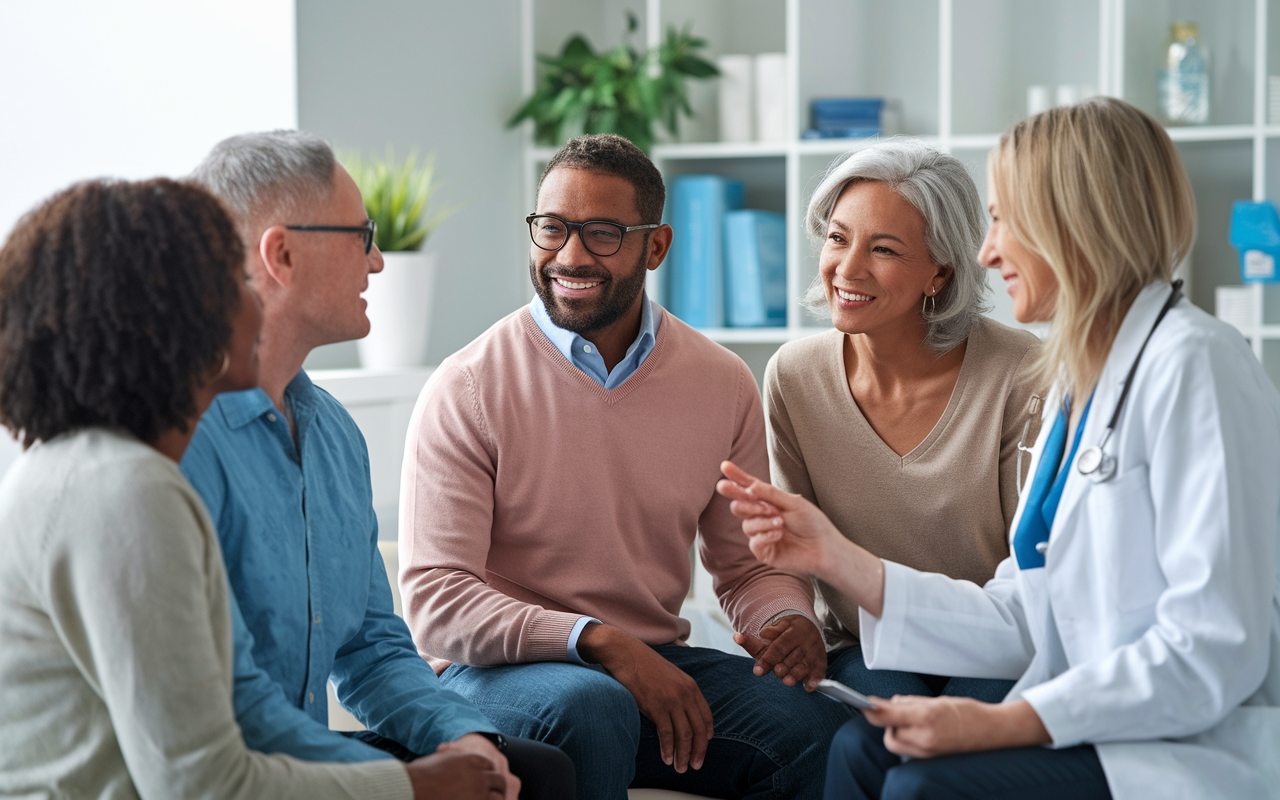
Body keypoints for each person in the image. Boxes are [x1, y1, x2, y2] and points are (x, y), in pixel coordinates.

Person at [718, 96, 1280, 799]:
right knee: (864, 749)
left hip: (1175, 744)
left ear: (1075, 224)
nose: (987, 252)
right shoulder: (1087, 382)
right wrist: (833, 558)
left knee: (919, 786)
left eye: (1003, 220)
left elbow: (1211, 655)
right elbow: (1025, 611)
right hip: (1092, 714)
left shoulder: (1196, 366)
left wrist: (1004, 723)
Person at [0, 178, 506, 798]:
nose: (254, 300)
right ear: (171, 319)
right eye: (233, 282)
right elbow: (206, 781)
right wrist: (412, 787)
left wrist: (442, 754)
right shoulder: (126, 492)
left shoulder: (116, 471)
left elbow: (335, 665)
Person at [399, 133, 852, 800]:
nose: (570, 256)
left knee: (820, 728)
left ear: (656, 246)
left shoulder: (721, 381)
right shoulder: (467, 385)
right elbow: (437, 601)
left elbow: (747, 565)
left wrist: (787, 621)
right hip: (494, 673)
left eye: (603, 233)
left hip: (650, 663)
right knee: (591, 706)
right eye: (552, 229)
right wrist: (600, 641)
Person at [180, 131, 572, 799]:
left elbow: (373, 648)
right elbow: (221, 710)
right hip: (231, 767)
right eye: (362, 236)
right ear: (282, 254)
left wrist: (464, 738)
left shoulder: (333, 433)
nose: (380, 261)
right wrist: (404, 781)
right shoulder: (179, 440)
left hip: (302, 753)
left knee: (536, 771)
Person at [763, 139, 1041, 703]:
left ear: (940, 271)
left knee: (961, 752)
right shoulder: (794, 376)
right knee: (875, 733)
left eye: (884, 249)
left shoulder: (1022, 372)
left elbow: (1032, 567)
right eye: (838, 238)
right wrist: (789, 620)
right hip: (865, 645)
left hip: (995, 641)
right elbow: (792, 551)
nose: (848, 267)